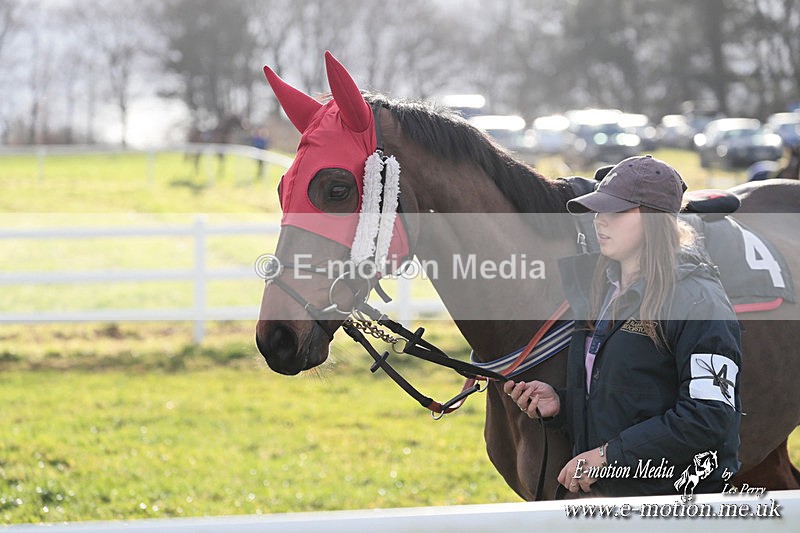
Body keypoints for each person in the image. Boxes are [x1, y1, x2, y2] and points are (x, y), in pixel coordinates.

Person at [504, 155, 742, 497]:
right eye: (599, 210)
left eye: (615, 211)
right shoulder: (604, 289)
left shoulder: (699, 300)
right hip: (611, 501)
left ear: (653, 220)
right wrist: (562, 405)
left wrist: (607, 457)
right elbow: (630, 398)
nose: (600, 221)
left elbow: (709, 418)